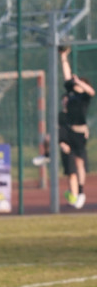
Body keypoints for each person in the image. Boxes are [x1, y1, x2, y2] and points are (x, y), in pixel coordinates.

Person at [58, 45, 94, 209]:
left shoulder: (83, 97)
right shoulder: (71, 93)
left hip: (80, 133)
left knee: (80, 163)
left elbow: (92, 92)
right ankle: (47, 154)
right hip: (68, 131)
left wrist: (80, 81)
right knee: (70, 164)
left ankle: (80, 192)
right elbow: (66, 74)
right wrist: (63, 57)